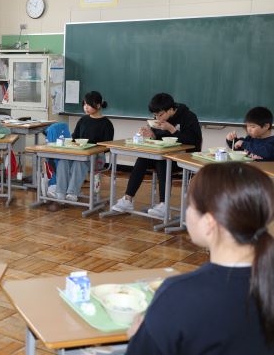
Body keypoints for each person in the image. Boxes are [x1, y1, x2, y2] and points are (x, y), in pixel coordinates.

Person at [127, 163, 274, 354]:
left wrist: (138, 338)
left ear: (209, 222)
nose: (186, 212)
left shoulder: (178, 295)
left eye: (190, 205)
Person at [112, 93, 202, 218]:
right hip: (164, 155)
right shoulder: (159, 118)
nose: (158, 118)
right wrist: (151, 134)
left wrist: (172, 129)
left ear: (170, 109)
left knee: (162, 161)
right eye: (155, 115)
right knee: (143, 158)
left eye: (160, 115)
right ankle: (128, 199)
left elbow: (194, 141)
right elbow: (158, 138)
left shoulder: (188, 117)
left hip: (183, 158)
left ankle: (164, 205)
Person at [48, 91, 114, 202]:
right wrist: (71, 143)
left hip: (96, 157)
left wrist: (92, 148)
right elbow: (74, 137)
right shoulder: (83, 120)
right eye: (84, 104)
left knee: (80, 162)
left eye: (89, 105)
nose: (85, 107)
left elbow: (107, 146)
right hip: (79, 154)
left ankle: (72, 193)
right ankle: (60, 192)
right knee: (63, 161)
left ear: (98, 105)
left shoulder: (106, 124)